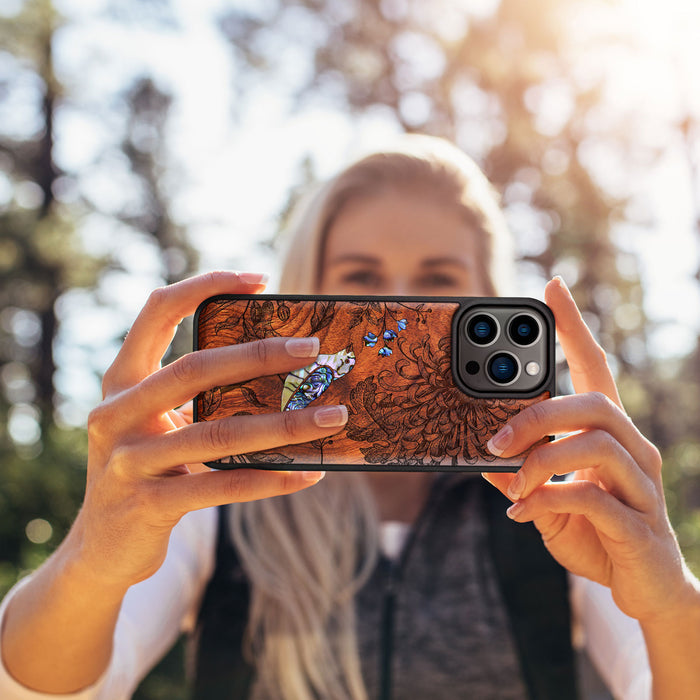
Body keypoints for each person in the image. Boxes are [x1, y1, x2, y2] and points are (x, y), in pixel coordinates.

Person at [1, 135, 699, 700]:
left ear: (488, 299)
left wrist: (670, 604)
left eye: (437, 282)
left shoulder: (554, 501)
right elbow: (48, 690)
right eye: (361, 280)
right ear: (306, 291)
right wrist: (94, 556)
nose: (397, 311)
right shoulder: (218, 495)